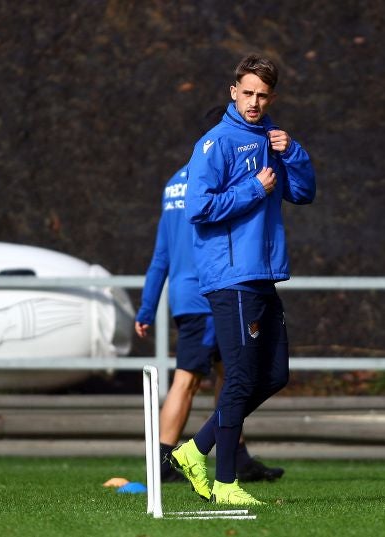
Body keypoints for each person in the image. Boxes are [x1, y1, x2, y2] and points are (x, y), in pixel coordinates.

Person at [171, 54, 316, 505]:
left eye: (263, 95)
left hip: (263, 274)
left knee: (274, 376)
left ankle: (195, 450)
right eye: (247, 92)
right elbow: (198, 207)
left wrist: (293, 152)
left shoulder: (273, 140)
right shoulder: (214, 143)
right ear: (233, 91)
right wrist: (254, 188)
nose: (254, 102)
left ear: (271, 97)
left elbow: (304, 193)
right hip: (230, 276)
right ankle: (226, 483)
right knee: (240, 377)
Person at [135, 107, 285, 484]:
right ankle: (164, 461)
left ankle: (238, 455)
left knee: (231, 375)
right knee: (189, 378)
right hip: (212, 290)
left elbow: (161, 255)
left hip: (190, 292)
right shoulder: (221, 178)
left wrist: (148, 306)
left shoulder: (172, 184)